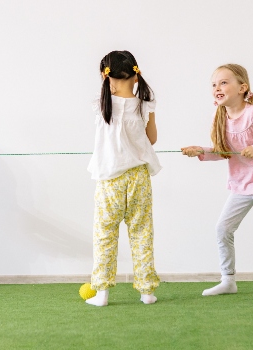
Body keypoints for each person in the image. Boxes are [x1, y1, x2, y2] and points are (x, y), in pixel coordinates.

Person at [182, 63, 253, 298]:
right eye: (214, 84)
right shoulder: (220, 116)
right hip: (241, 185)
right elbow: (224, 152)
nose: (217, 88)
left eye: (224, 82)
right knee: (223, 229)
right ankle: (228, 280)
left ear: (242, 88)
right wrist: (200, 150)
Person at [85, 51, 161, 306]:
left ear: (106, 77)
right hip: (139, 177)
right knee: (142, 233)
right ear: (135, 75)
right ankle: (147, 292)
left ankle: (102, 294)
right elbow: (151, 139)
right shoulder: (145, 103)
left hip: (110, 181)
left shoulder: (101, 105)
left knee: (105, 235)